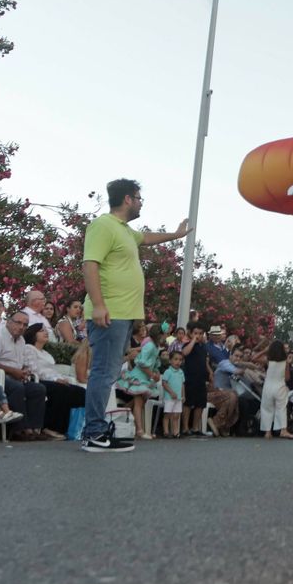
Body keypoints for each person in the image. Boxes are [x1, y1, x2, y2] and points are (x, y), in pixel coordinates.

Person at [79, 178, 190, 453]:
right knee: (103, 373)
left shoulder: (126, 231)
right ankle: (92, 433)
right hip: (110, 313)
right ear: (128, 199)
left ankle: (99, 430)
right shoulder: (103, 226)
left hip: (123, 316)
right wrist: (99, 304)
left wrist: (176, 235)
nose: (141, 203)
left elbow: (148, 237)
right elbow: (89, 264)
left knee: (108, 374)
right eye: (139, 198)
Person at [0, 311, 51, 441]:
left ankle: (35, 428)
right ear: (8, 321)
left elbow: (20, 364)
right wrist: (13, 371)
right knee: (17, 387)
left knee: (38, 389)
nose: (21, 327)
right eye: (18, 323)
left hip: (15, 376)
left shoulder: (21, 341)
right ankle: (20, 429)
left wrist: (23, 371)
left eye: (25, 325)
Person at [24, 323, 84, 437]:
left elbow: (53, 371)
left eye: (46, 330)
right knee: (61, 391)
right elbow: (34, 370)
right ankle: (50, 427)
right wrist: (55, 379)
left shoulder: (46, 353)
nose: (46, 332)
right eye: (41, 331)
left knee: (80, 392)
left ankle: (71, 427)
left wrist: (61, 378)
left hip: (53, 380)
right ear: (33, 334)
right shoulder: (29, 349)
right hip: (37, 380)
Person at [116, 322, 164, 440]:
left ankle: (123, 414)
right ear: (159, 335)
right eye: (164, 335)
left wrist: (156, 372)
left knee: (139, 403)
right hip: (139, 377)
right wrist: (152, 374)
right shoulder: (150, 346)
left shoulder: (155, 346)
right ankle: (139, 430)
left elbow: (154, 363)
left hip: (145, 377)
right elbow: (141, 363)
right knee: (138, 404)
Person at [180, 321, 211, 436]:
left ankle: (195, 427)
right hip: (190, 378)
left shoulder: (203, 347)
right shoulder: (187, 345)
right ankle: (185, 427)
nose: (198, 335)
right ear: (191, 333)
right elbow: (184, 353)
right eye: (196, 333)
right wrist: (193, 340)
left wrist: (209, 374)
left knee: (200, 404)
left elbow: (205, 362)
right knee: (188, 403)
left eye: (200, 333)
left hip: (201, 379)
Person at [260, 340, 293, 439]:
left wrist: (264, 350)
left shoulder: (268, 360)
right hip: (280, 387)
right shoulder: (285, 363)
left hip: (268, 387)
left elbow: (253, 358)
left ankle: (267, 432)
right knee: (281, 409)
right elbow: (287, 378)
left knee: (267, 408)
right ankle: (283, 430)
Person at [159, 351, 185, 438]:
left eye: (180, 360)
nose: (178, 362)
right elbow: (164, 383)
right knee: (168, 414)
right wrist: (171, 392)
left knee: (177, 415)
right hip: (169, 397)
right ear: (170, 361)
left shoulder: (181, 372)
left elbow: (182, 384)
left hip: (178, 398)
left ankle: (175, 432)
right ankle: (166, 431)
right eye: (176, 359)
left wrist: (183, 395)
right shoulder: (168, 371)